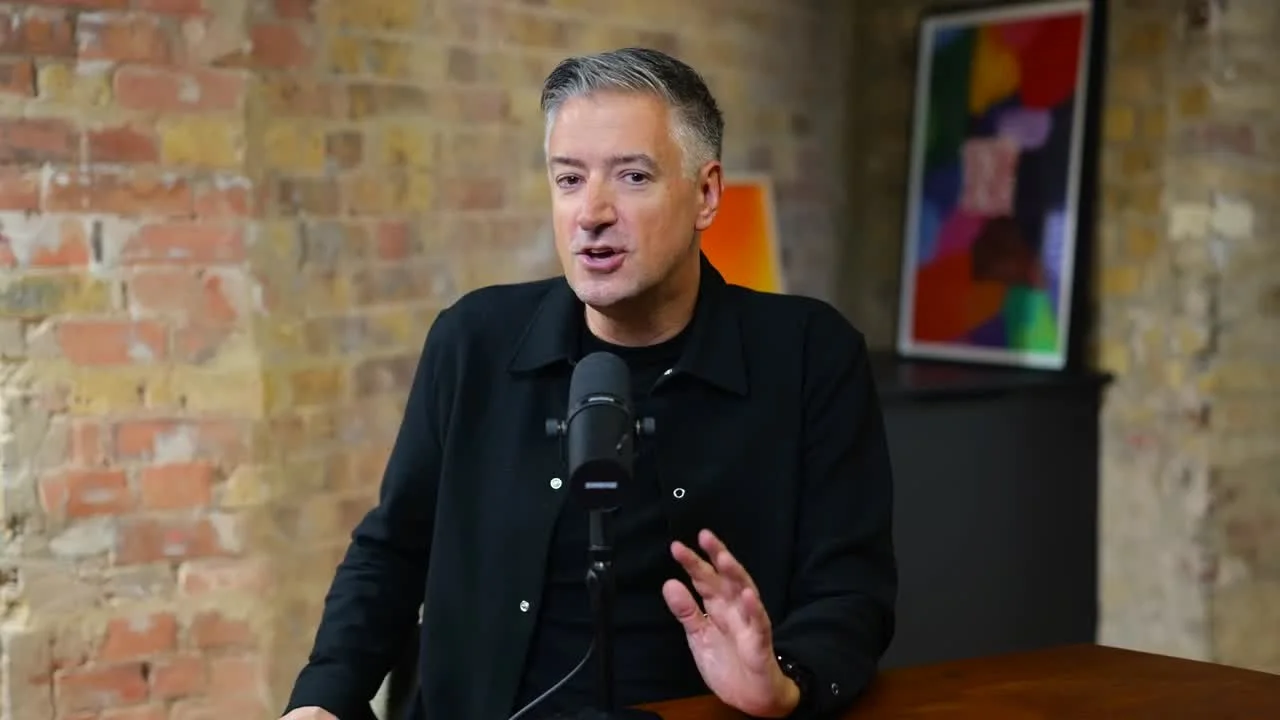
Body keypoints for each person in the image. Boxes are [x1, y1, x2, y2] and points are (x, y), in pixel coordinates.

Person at [281, 47, 896, 720]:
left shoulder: (811, 354)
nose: (592, 212)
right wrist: (323, 701)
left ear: (706, 193)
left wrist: (786, 680)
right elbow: (392, 549)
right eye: (569, 180)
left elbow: (852, 590)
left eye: (632, 176)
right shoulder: (474, 340)